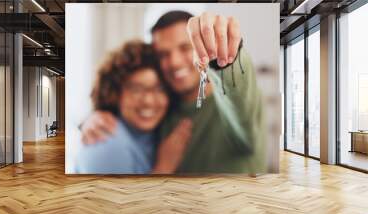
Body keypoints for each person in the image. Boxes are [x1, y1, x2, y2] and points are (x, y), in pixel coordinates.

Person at [80, 11, 266, 174]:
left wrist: (224, 55)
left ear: (200, 46)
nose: (175, 62)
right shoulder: (166, 105)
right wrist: (93, 117)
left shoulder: (234, 109)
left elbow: (239, 94)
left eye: (185, 48)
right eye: (163, 54)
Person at [75, 40, 192, 174]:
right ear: (116, 94)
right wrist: (164, 168)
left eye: (159, 88)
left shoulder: (159, 132)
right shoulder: (106, 142)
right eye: (136, 89)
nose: (148, 101)